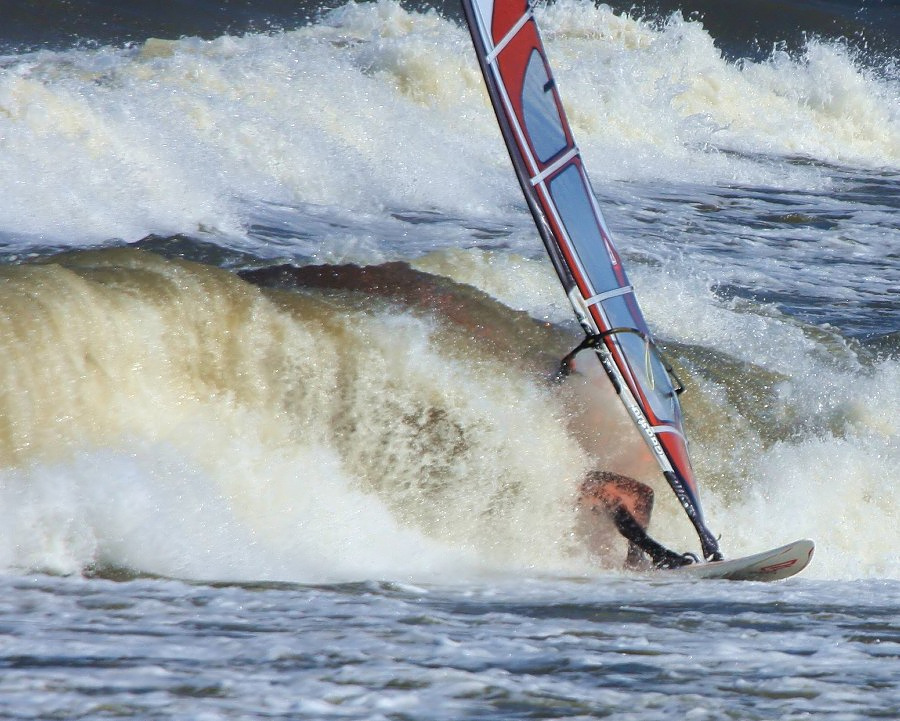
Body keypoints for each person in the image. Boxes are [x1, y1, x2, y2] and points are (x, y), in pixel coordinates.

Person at [578, 470, 697, 569]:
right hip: (569, 474)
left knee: (643, 493)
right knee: (611, 498)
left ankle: (635, 558)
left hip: (584, 469)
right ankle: (659, 554)